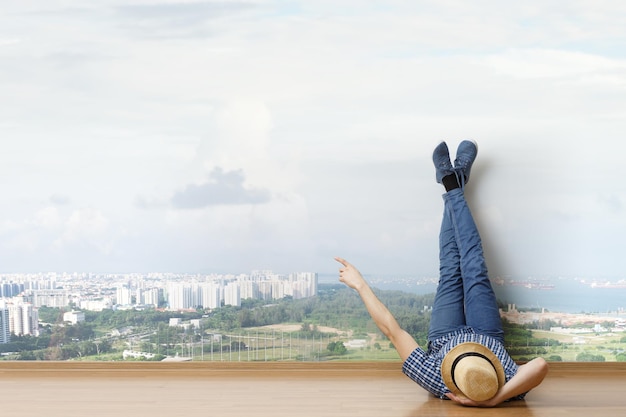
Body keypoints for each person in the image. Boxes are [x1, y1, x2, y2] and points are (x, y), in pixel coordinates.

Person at [335, 140, 548, 407]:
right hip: (487, 333)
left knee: (450, 269)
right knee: (473, 266)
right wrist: (494, 400)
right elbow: (540, 366)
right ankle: (452, 181)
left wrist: (360, 286)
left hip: (444, 334)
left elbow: (392, 330)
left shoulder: (435, 379)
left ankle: (451, 181)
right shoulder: (503, 381)